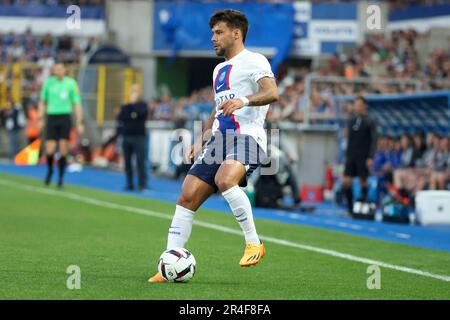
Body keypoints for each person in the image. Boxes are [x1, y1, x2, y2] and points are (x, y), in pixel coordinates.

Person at [148, 9, 279, 283]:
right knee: (187, 195)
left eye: (218, 32)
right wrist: (202, 137)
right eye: (212, 33)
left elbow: (272, 92)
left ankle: (254, 242)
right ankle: (170, 260)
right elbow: (218, 108)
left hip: (248, 138)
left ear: (236, 33)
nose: (213, 38)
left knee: (225, 179)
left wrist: (243, 101)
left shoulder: (254, 60)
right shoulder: (219, 69)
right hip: (219, 140)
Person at [38, 63, 84, 188]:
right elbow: (43, 101)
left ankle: (60, 177)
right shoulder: (48, 83)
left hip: (65, 117)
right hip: (52, 117)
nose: (58, 71)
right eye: (56, 69)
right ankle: (50, 170)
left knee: (64, 148)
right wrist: (40, 118)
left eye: (60, 69)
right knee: (49, 149)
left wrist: (80, 122)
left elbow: (77, 103)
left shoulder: (71, 83)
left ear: (65, 70)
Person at [342, 96, 377, 215]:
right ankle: (350, 209)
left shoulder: (370, 120)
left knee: (363, 180)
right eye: (355, 104)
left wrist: (370, 156)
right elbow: (349, 139)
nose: (356, 107)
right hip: (351, 154)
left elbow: (374, 140)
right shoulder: (351, 120)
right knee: (346, 181)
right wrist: (346, 155)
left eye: (359, 104)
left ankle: (362, 208)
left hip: (363, 155)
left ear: (364, 105)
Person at [116, 84, 148, 191]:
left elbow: (140, 114)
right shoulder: (125, 106)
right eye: (132, 91)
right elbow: (121, 117)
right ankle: (129, 184)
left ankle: (142, 184)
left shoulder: (143, 105)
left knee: (140, 161)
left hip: (139, 137)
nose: (133, 93)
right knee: (127, 162)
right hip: (127, 136)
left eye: (136, 91)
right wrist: (132, 114)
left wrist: (132, 112)